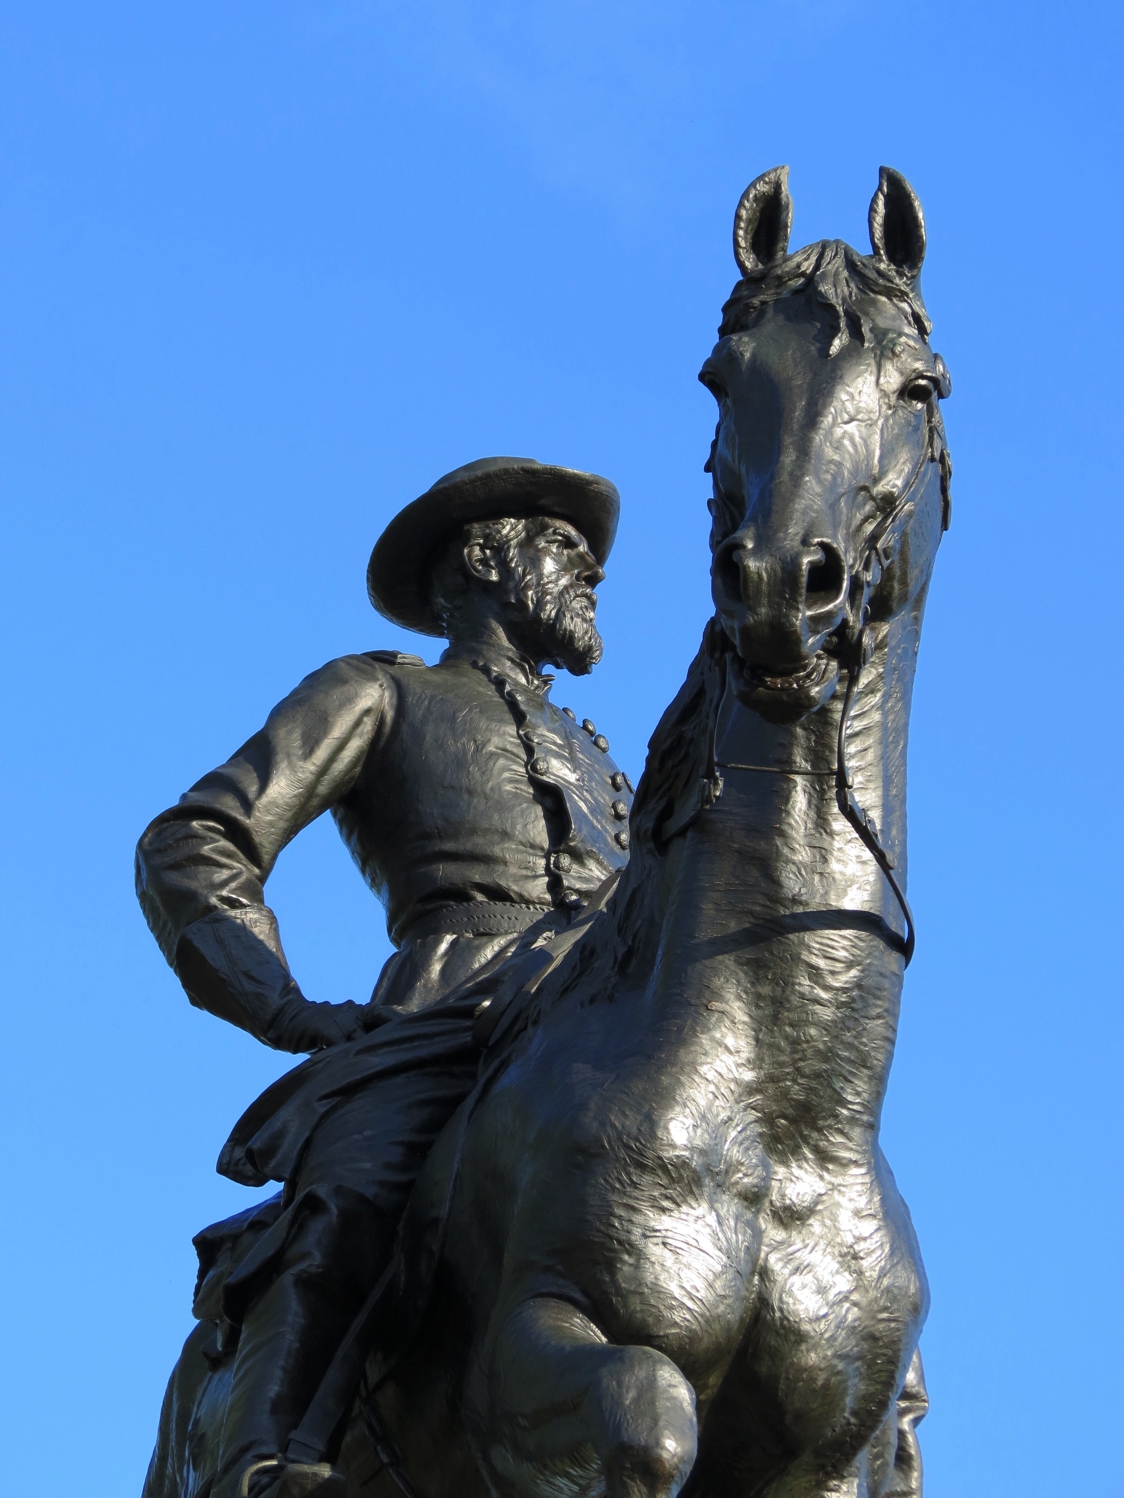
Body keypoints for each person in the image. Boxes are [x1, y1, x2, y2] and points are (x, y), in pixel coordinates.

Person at [136, 457, 634, 1498]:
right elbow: (197, 840)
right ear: (485, 558)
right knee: (357, 1192)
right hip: (453, 1012)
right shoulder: (380, 691)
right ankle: (259, 1460)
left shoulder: (600, 758)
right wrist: (281, 1004)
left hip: (599, 1011)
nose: (590, 576)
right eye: (563, 552)